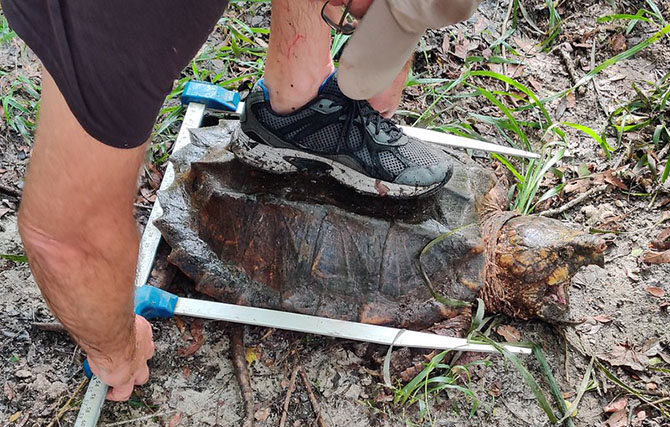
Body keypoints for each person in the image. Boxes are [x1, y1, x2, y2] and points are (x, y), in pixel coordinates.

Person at [3, 0, 479, 401]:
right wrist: (114, 352)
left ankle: (295, 104)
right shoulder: (138, 17)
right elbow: (65, 237)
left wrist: (375, 47)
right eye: (362, 14)